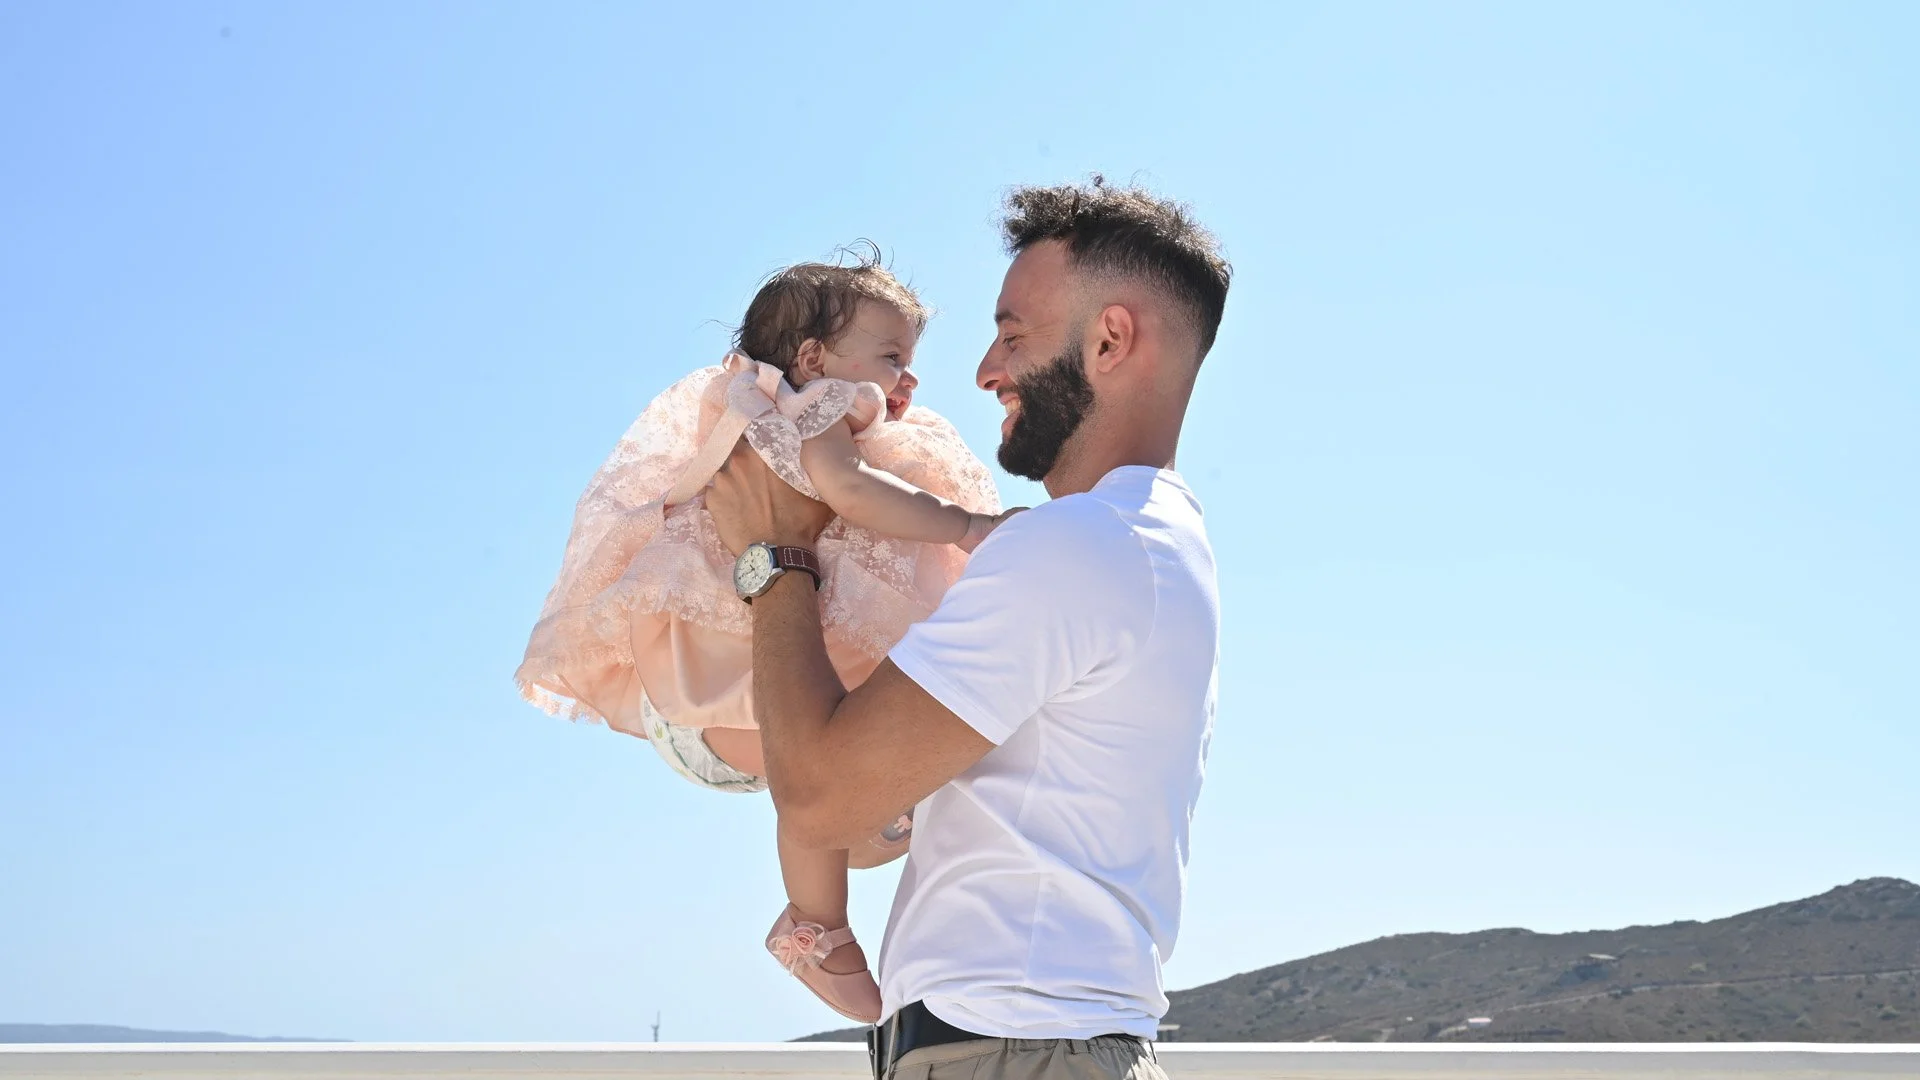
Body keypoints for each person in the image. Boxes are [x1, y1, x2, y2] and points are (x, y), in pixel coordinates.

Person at [705, 179, 1230, 1080]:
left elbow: (827, 801)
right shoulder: (1150, 541)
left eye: (1013, 336)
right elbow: (876, 826)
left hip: (1015, 1057)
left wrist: (776, 555)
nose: (986, 371)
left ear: (1110, 339)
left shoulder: (1084, 544)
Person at [515, 252, 1016, 1024]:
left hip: (699, 694)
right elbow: (849, 490)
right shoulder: (811, 413)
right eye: (892, 358)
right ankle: (815, 925)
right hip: (725, 686)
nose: (908, 381)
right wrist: (970, 526)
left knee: (826, 748)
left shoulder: (757, 408)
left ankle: (832, 898)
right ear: (813, 359)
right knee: (813, 755)